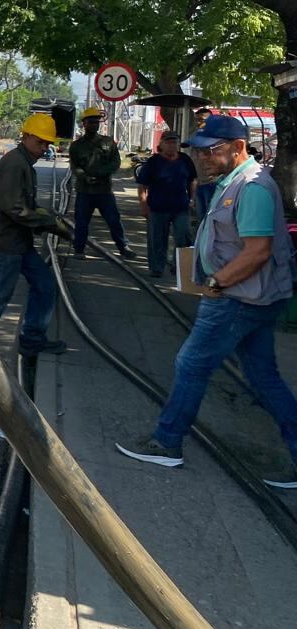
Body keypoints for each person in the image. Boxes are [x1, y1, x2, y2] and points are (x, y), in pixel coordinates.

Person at [116, 114, 297, 489]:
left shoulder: (253, 188)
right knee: (263, 377)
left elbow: (257, 251)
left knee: (192, 363)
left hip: (238, 298)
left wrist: (217, 280)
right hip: (250, 297)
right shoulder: (234, 182)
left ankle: (166, 442)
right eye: (198, 151)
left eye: (211, 151)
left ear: (238, 147)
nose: (202, 158)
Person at [0, 112, 73, 355]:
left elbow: (23, 204)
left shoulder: (24, 162)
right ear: (25, 136)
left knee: (45, 285)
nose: (44, 147)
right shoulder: (16, 164)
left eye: (47, 143)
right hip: (5, 241)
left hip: (18, 241)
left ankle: (33, 339)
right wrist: (48, 221)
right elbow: (13, 207)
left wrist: (48, 217)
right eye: (39, 141)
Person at [69, 106, 138, 261]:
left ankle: (123, 247)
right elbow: (74, 166)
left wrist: (100, 173)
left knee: (114, 220)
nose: (94, 124)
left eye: (96, 122)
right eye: (90, 122)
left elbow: (115, 162)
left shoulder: (108, 143)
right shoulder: (76, 146)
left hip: (104, 191)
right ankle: (79, 249)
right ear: (84, 124)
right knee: (81, 221)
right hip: (84, 191)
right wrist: (85, 177)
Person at [135, 130, 198, 279]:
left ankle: (180, 267)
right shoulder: (153, 162)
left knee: (183, 237)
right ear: (161, 145)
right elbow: (142, 185)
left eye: (175, 142)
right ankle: (157, 268)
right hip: (157, 207)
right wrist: (143, 205)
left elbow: (192, 181)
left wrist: (192, 199)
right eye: (168, 142)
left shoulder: (185, 160)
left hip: (180, 207)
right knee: (157, 239)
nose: (172, 145)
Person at [192, 107, 218, 219]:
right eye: (196, 120)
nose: (198, 123)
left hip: (213, 183)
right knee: (201, 220)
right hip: (199, 183)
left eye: (201, 119)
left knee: (210, 218)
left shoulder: (216, 138)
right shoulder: (196, 137)